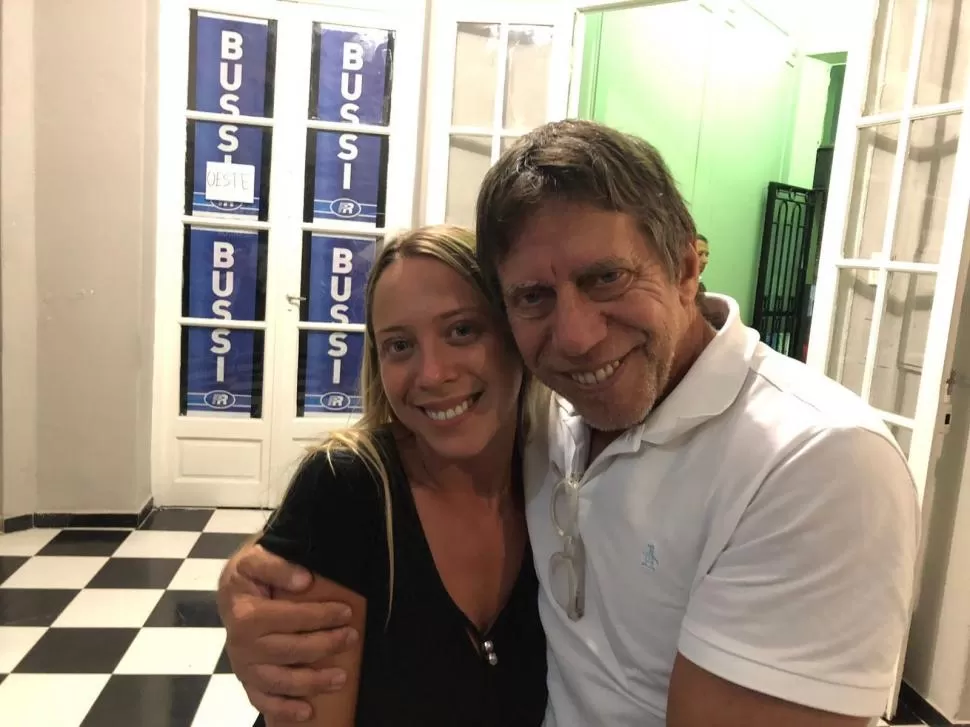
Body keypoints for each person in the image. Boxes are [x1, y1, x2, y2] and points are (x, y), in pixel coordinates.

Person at [218, 121, 920, 727]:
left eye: (606, 277)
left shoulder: (816, 461)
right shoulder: (550, 420)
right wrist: (260, 575)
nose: (577, 335)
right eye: (533, 296)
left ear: (686, 266)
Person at [241, 224, 548, 726]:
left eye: (462, 330)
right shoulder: (349, 488)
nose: (432, 374)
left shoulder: (562, 478)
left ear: (515, 332)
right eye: (400, 345)